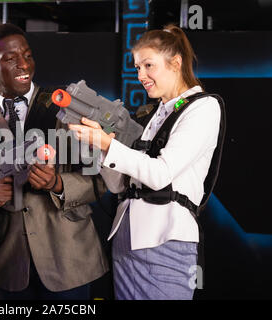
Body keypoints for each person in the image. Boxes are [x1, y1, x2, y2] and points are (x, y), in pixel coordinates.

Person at [69, 25, 225, 300]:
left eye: (148, 65)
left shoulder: (203, 107)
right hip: (127, 239)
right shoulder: (157, 113)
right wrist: (100, 148)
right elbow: (120, 186)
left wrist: (108, 144)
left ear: (175, 63)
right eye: (138, 67)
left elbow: (160, 174)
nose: (141, 75)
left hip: (165, 241)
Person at [0, 23, 109, 300]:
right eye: (10, 59)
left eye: (28, 56)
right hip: (12, 267)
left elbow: (103, 179)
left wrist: (58, 184)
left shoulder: (66, 109)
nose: (24, 65)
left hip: (69, 262)